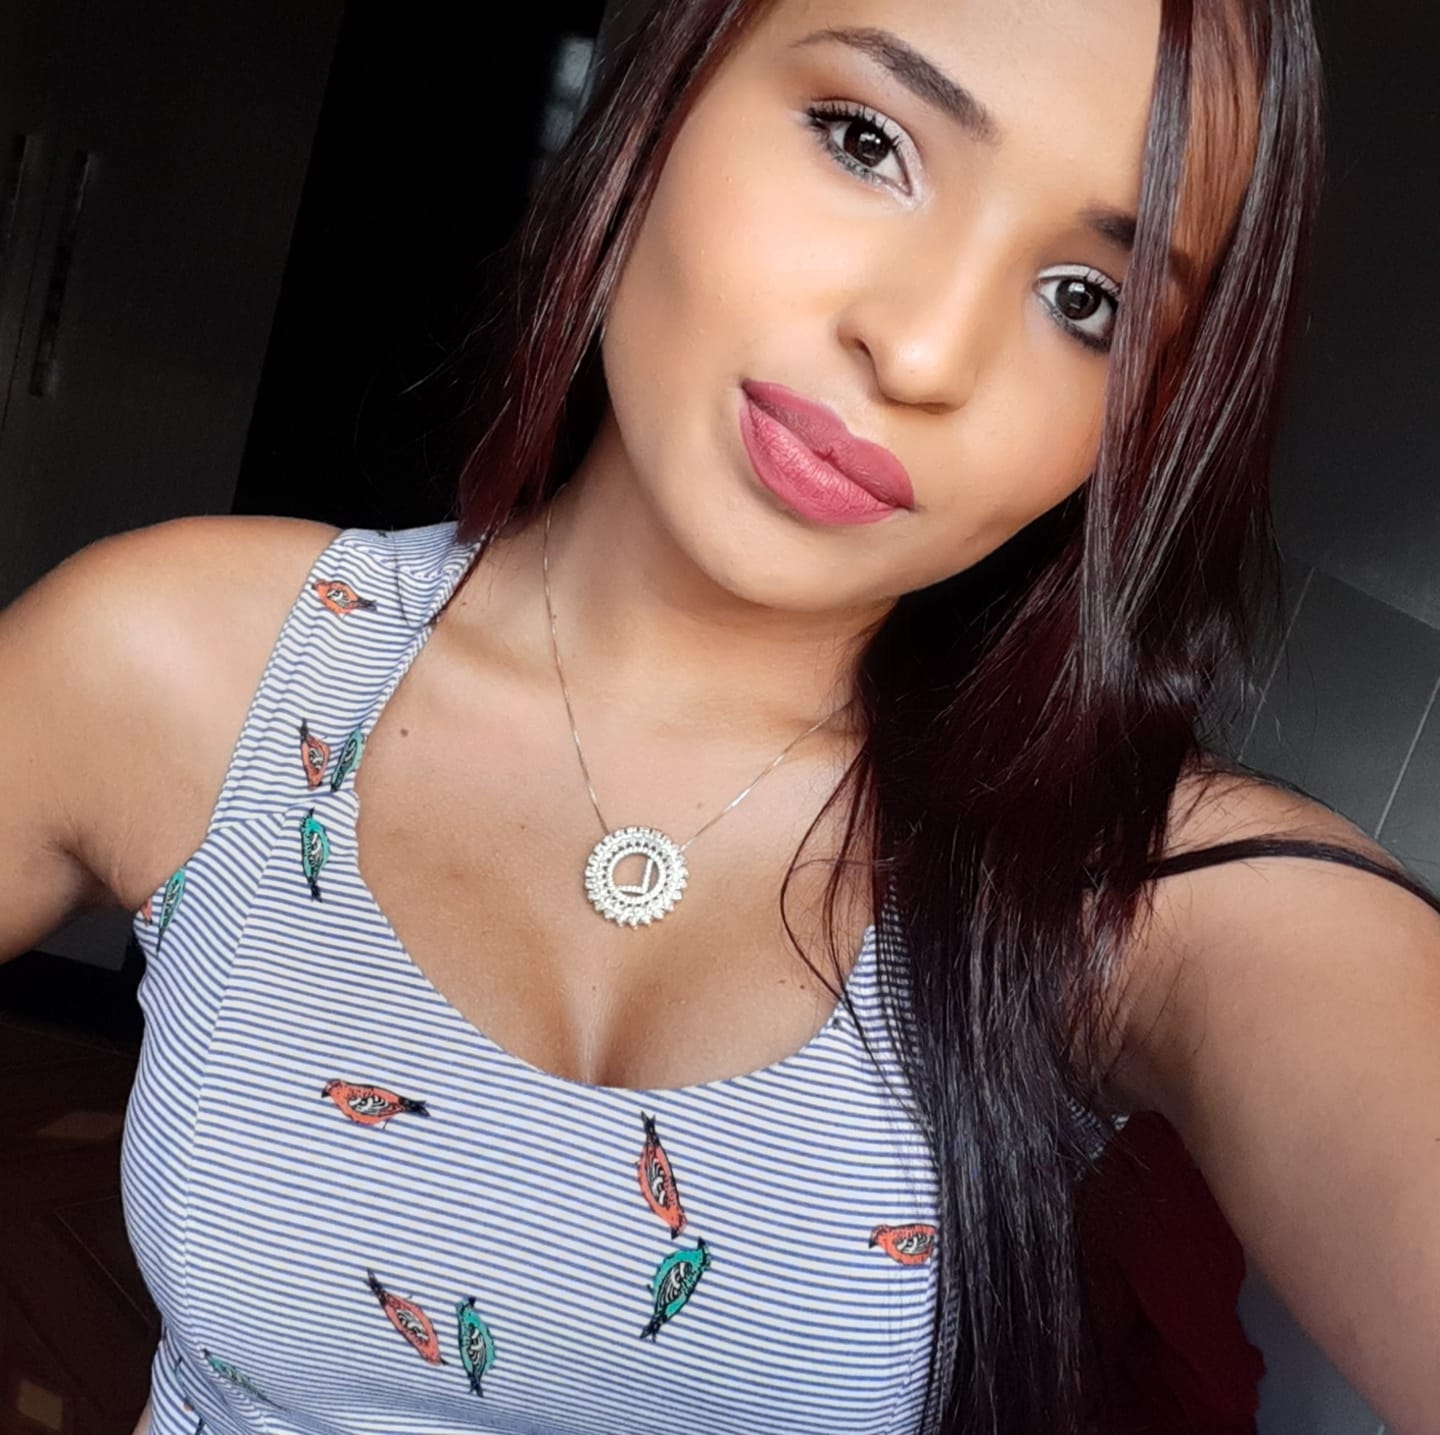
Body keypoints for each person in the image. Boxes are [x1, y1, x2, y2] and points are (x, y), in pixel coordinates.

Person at [2, 0, 1437, 1432]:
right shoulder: (195, 665)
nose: (922, 353)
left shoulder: (1128, 888)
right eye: (865, 142)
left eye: (1087, 302)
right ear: (666, 90)